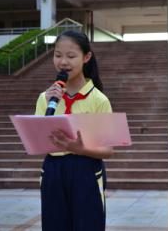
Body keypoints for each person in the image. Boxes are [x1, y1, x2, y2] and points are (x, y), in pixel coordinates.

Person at [35, 30, 113, 231]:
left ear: (86, 57)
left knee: (88, 225)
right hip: (53, 170)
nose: (63, 62)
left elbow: (108, 150)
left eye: (71, 56)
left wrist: (80, 148)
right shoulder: (45, 98)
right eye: (58, 55)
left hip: (86, 169)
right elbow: (37, 140)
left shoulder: (98, 100)